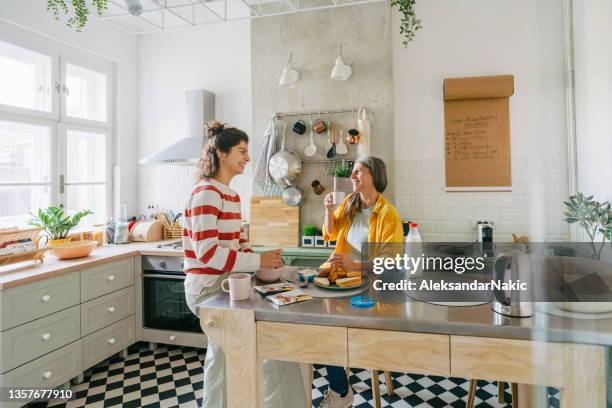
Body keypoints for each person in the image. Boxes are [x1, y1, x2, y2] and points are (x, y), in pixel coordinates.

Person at [183, 121, 307, 408]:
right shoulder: (205, 193)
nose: (247, 158)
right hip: (208, 291)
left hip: (229, 287)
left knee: (260, 350)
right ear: (221, 154)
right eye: (241, 151)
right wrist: (256, 261)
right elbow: (208, 253)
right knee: (226, 358)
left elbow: (238, 244)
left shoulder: (230, 195)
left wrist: (266, 263)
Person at [319, 156, 403, 408]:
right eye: (352, 172)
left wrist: (356, 266)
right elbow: (330, 233)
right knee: (320, 325)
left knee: (331, 330)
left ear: (374, 176)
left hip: (370, 288)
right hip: (344, 282)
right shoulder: (350, 202)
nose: (352, 176)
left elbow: (391, 262)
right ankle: (340, 388)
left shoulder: (388, 214)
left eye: (358, 172)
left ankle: (341, 388)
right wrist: (326, 210)